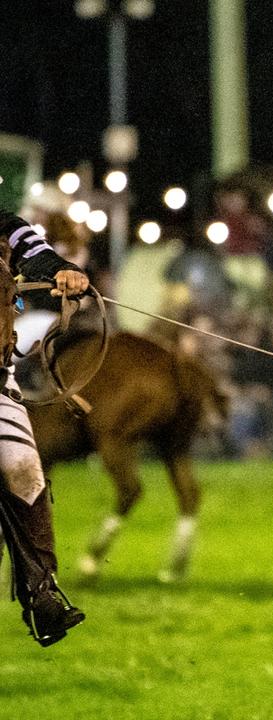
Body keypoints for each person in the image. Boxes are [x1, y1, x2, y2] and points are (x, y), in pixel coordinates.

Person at [0, 210, 90, 646]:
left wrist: (65, 272)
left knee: (22, 466)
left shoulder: (6, 228)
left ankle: (42, 593)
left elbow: (37, 257)